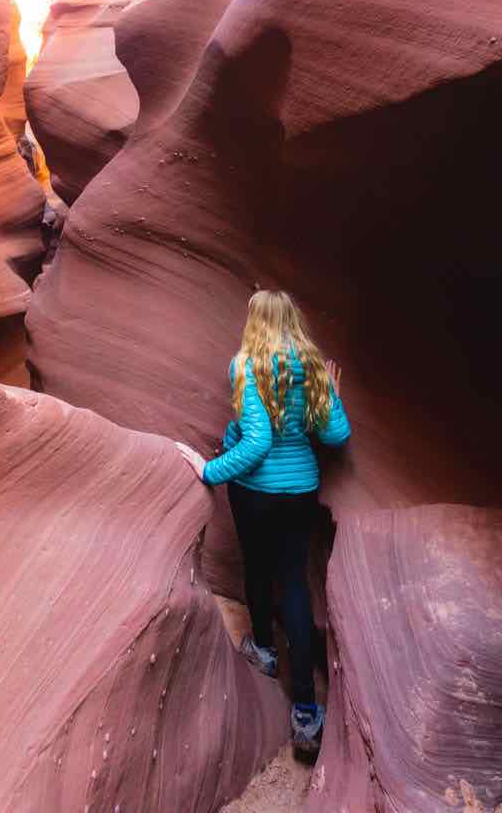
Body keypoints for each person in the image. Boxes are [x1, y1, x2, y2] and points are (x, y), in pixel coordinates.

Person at [176, 290, 350, 754]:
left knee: (256, 565)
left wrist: (208, 469)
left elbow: (255, 444)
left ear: (256, 321)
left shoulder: (247, 364)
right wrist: (331, 394)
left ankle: (265, 653)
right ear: (292, 320)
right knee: (293, 583)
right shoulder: (311, 367)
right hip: (299, 491)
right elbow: (336, 434)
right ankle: (306, 711)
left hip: (256, 492)